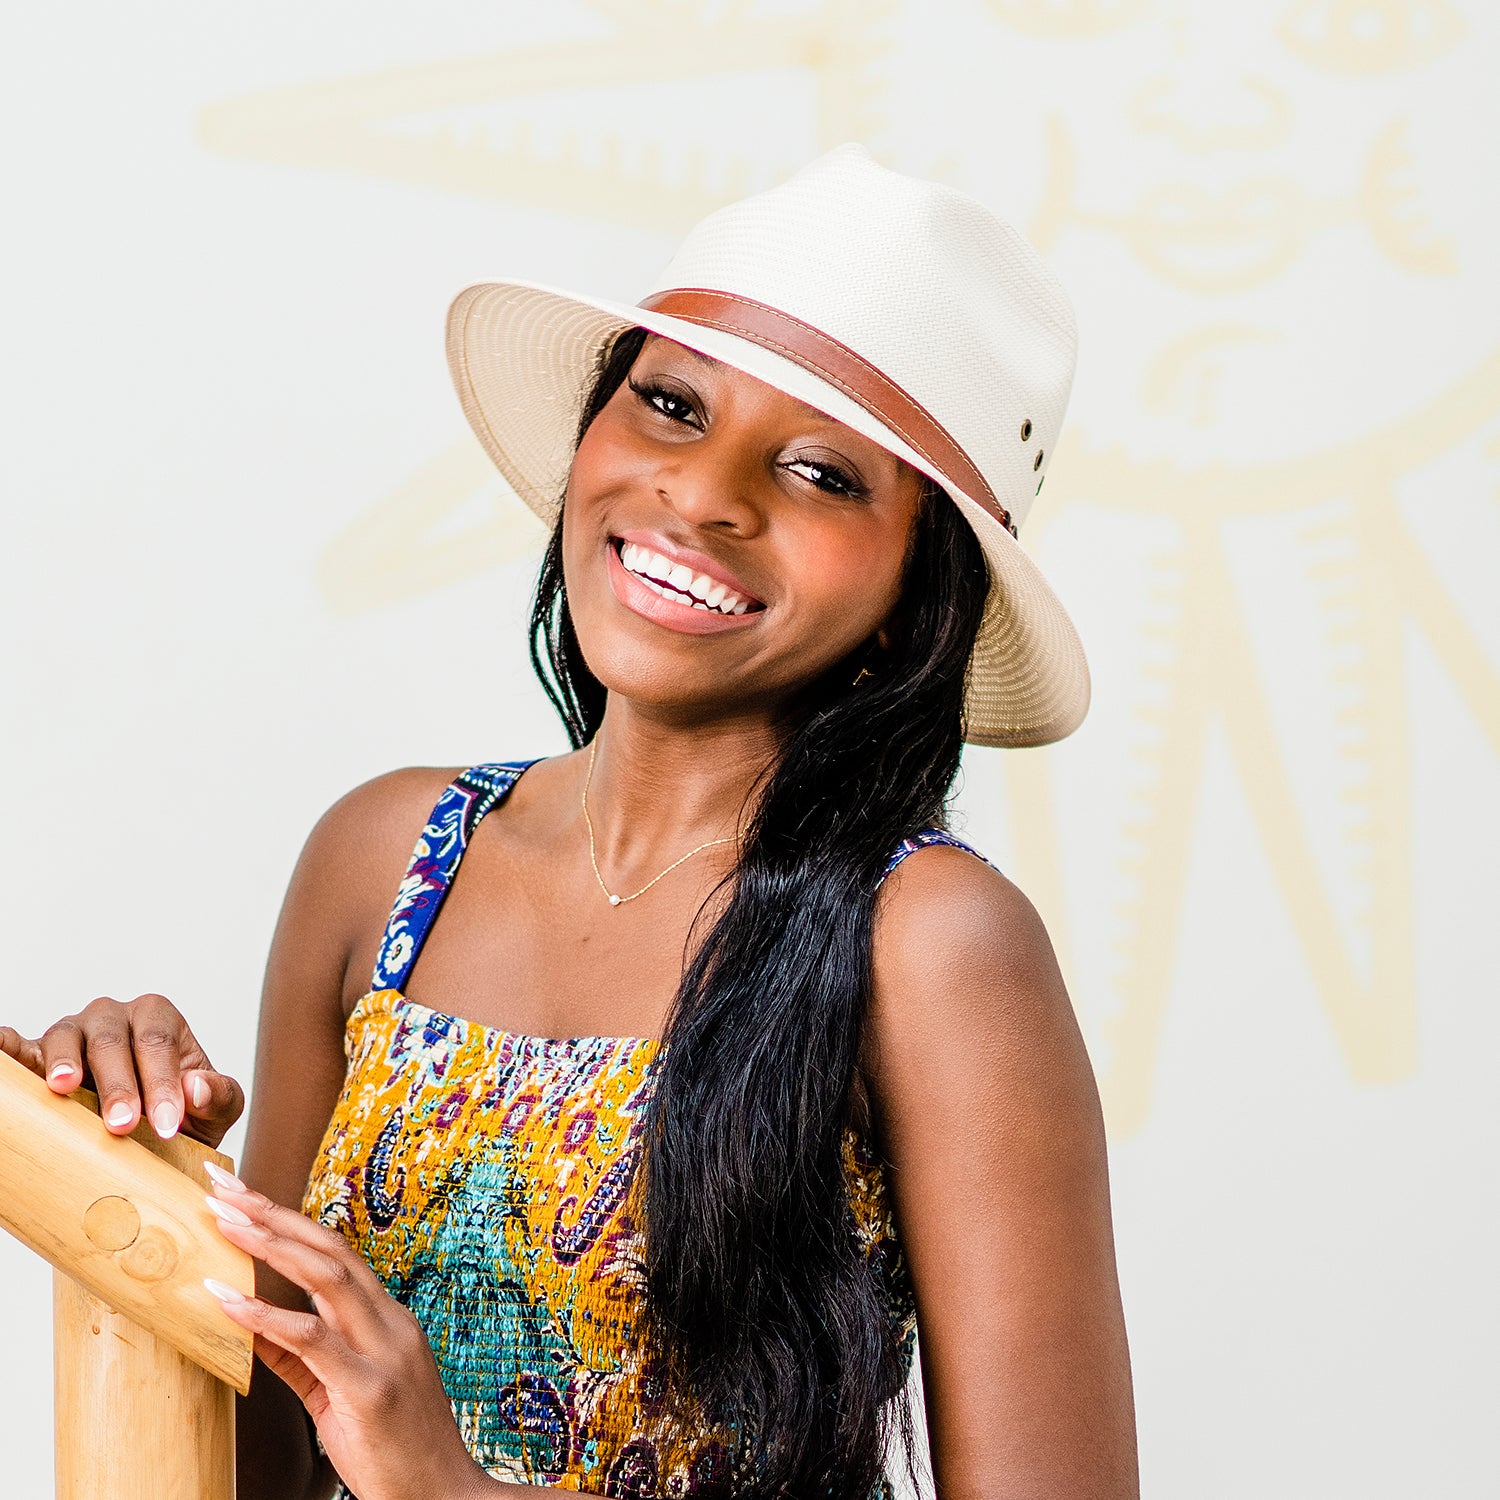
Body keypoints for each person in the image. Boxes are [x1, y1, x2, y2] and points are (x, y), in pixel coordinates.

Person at [1, 146, 1138, 1499]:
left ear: (917, 586)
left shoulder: (930, 944)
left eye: (825, 475)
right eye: (670, 404)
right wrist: (151, 1175)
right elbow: (255, 1470)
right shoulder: (386, 863)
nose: (708, 494)